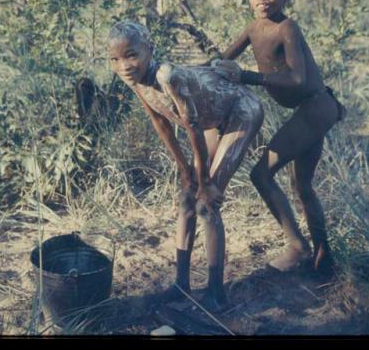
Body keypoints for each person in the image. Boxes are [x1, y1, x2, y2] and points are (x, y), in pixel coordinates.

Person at [108, 21, 264, 311]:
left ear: (149, 49)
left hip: (240, 110)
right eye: (115, 59)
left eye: (132, 55)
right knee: (186, 199)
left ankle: (216, 292)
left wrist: (203, 178)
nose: (125, 65)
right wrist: (184, 169)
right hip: (210, 118)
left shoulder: (167, 76)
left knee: (207, 202)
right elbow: (160, 122)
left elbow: (191, 125)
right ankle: (181, 284)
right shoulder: (133, 79)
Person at [212, 0, 346, 278]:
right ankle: (324, 258)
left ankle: (298, 247)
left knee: (261, 174)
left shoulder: (288, 28)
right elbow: (222, 60)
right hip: (315, 108)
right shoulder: (252, 28)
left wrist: (247, 76)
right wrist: (189, 73)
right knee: (303, 187)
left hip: (315, 106)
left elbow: (298, 78)